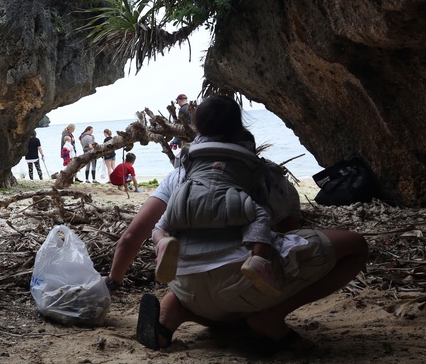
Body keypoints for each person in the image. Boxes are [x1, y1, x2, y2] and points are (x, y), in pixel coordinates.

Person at [104, 150, 369, 353]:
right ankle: (271, 316)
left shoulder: (180, 177)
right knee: (355, 246)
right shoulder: (271, 180)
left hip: (188, 286)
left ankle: (174, 310)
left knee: (193, 266)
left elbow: (131, 237)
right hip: (244, 288)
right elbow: (289, 240)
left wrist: (113, 282)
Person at [150, 96, 276, 294]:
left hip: (186, 202)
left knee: (160, 226)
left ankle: (163, 242)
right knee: (260, 217)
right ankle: (258, 259)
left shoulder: (193, 149)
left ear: (198, 124)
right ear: (237, 122)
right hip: (232, 203)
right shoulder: (246, 143)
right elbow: (256, 172)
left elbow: (183, 169)